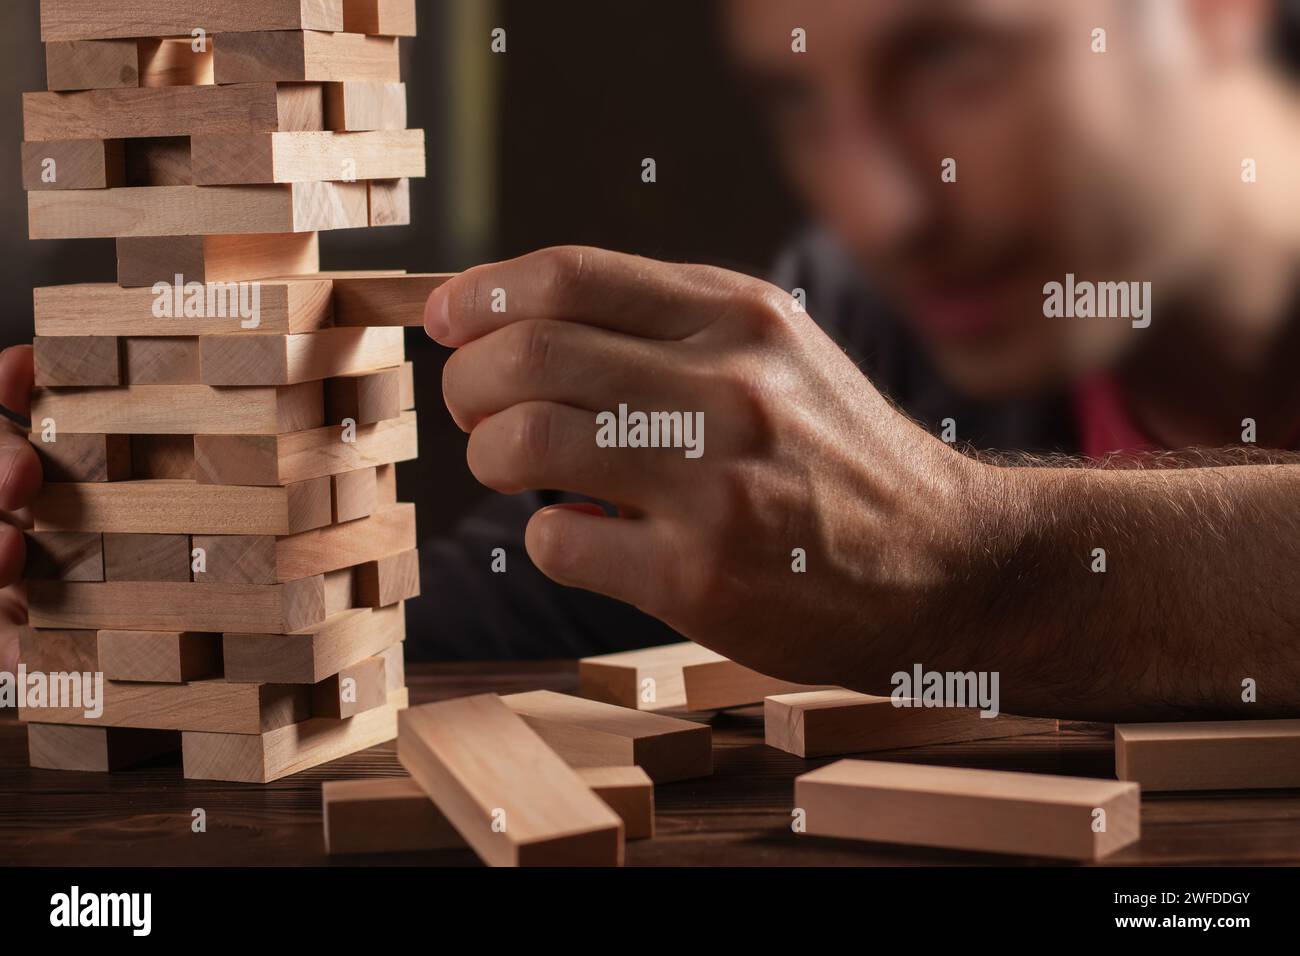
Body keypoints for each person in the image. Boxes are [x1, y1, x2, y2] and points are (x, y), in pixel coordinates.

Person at [2, 0, 1298, 720]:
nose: (886, 206)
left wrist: (978, 557)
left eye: (952, 57)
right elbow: (497, 614)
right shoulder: (863, 309)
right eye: (800, 101)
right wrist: (129, 598)